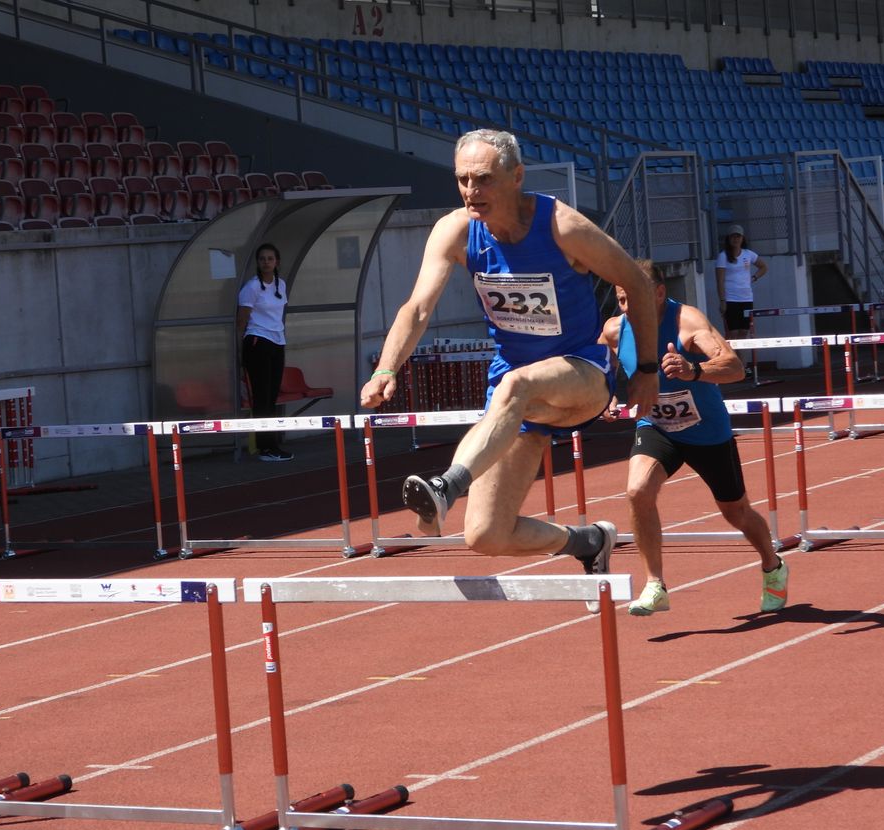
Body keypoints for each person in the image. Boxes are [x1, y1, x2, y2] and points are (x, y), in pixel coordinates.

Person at [359, 128, 660, 610]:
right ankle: (588, 542)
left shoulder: (563, 226)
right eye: (462, 180)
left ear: (516, 176)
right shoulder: (456, 230)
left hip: (581, 373)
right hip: (514, 394)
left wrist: (645, 368)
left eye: (483, 179)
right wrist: (386, 369)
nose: (470, 191)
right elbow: (416, 308)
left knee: (516, 384)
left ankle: (445, 487)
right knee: (485, 534)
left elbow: (636, 284)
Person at [599, 260, 789, 616]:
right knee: (638, 490)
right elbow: (599, 367)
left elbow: (734, 366)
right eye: (621, 300)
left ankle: (772, 565)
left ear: (657, 293)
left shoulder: (687, 323)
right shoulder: (614, 330)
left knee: (737, 512)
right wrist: (605, 395)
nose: (627, 308)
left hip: (707, 432)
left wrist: (694, 370)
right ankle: (655, 584)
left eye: (633, 298)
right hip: (656, 427)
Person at [237, 242, 293, 462]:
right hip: (258, 341)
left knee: (272, 395)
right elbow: (242, 320)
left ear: (276, 262)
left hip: (277, 341)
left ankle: (273, 444)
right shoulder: (251, 287)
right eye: (262, 259)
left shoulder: (281, 284)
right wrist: (239, 351)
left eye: (270, 259)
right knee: (262, 397)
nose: (266, 262)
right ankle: (265, 448)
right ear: (258, 263)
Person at [715, 224, 768, 342]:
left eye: (738, 236)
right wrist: (722, 301)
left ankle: (742, 361)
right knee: (732, 333)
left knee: (744, 332)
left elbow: (763, 267)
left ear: (742, 238)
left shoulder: (748, 254)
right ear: (728, 239)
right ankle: (731, 360)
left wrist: (754, 277)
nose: (736, 239)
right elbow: (720, 280)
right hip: (730, 299)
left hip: (746, 298)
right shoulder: (723, 256)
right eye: (733, 236)